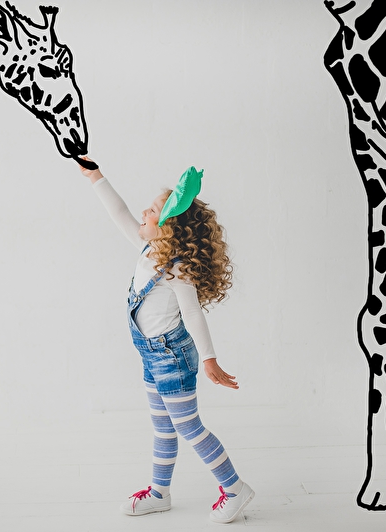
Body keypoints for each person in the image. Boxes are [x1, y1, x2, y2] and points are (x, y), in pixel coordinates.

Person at [78, 158, 255, 524]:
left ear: (169, 228)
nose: (144, 212)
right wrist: (96, 176)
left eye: (153, 210)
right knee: (163, 426)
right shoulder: (148, 249)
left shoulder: (175, 269)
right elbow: (119, 212)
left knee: (188, 425)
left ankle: (235, 488)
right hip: (151, 355)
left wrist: (209, 359)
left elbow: (193, 314)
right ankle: (160, 493)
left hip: (171, 356)